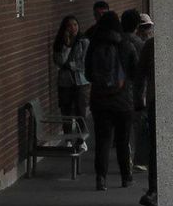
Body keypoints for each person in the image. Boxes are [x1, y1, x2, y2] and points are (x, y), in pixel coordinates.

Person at [84, 10, 139, 191]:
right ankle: (126, 177)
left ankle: (101, 178)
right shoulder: (126, 44)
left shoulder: (94, 45)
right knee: (123, 141)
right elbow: (135, 71)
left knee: (103, 140)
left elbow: (88, 74)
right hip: (123, 102)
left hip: (100, 101)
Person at [51, 15, 89, 146]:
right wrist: (66, 45)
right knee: (66, 110)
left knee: (80, 110)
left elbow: (84, 63)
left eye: (75, 25)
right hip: (65, 82)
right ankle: (68, 139)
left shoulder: (83, 41)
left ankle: (80, 139)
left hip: (80, 81)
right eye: (69, 25)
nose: (73, 28)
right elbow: (60, 61)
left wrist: (70, 65)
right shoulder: (60, 43)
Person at [138, 20, 157, 206]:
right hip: (155, 101)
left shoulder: (150, 46)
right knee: (155, 146)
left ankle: (155, 189)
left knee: (155, 147)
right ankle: (154, 189)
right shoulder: (150, 46)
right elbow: (141, 74)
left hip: (156, 99)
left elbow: (140, 75)